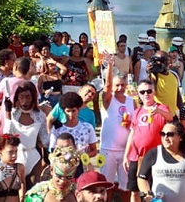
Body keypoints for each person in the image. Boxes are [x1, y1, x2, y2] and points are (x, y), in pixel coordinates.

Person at [123, 80, 172, 202]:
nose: (146, 94)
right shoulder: (137, 111)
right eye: (142, 92)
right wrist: (126, 156)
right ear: (139, 94)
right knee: (134, 192)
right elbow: (132, 134)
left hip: (156, 157)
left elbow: (170, 118)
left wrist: (159, 111)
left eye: (149, 91)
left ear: (154, 92)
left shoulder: (162, 107)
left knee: (155, 192)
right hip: (137, 156)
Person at [137, 121, 185, 202]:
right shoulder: (153, 154)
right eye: (162, 134)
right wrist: (147, 194)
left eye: (170, 134)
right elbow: (142, 178)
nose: (165, 137)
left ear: (180, 137)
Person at [99, 56, 136, 202]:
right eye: (117, 85)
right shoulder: (108, 100)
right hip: (107, 150)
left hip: (126, 151)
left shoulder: (131, 101)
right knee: (106, 186)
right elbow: (107, 86)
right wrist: (109, 66)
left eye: (122, 85)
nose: (120, 88)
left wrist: (130, 124)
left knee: (126, 187)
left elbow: (136, 123)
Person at [1, 81, 50, 187]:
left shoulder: (39, 115)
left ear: (33, 97)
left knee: (32, 192)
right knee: (15, 193)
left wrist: (53, 122)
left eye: (28, 97)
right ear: (17, 97)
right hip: (15, 158)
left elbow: (46, 140)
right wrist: (8, 113)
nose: (25, 101)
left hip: (34, 159)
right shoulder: (13, 113)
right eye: (21, 97)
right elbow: (7, 136)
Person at [48, 92, 98, 156]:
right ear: (64, 111)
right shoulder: (57, 129)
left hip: (82, 164)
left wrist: (80, 157)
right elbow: (52, 152)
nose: (71, 114)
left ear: (78, 110)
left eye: (73, 111)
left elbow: (94, 151)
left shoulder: (88, 127)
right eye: (68, 111)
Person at [0, 134, 26, 202]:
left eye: (16, 151)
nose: (14, 155)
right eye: (10, 152)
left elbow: (22, 185)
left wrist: (22, 198)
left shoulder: (20, 168)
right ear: (0, 152)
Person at [147, 51, 182, 117]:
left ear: (168, 62)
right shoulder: (154, 76)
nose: (158, 63)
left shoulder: (173, 76)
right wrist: (149, 73)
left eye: (161, 61)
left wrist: (182, 112)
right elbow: (149, 91)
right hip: (160, 116)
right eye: (156, 62)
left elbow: (178, 97)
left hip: (173, 115)